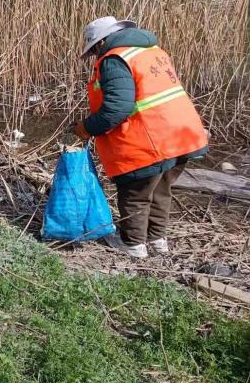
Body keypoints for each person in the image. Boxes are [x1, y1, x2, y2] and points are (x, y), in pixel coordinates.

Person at [70, 16, 209, 259]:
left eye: (93, 50)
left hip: (150, 140)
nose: (95, 56)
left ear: (101, 42)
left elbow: (117, 108)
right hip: (182, 135)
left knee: (135, 194)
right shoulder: (152, 51)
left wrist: (87, 128)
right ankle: (157, 240)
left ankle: (133, 245)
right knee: (160, 190)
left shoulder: (114, 59)